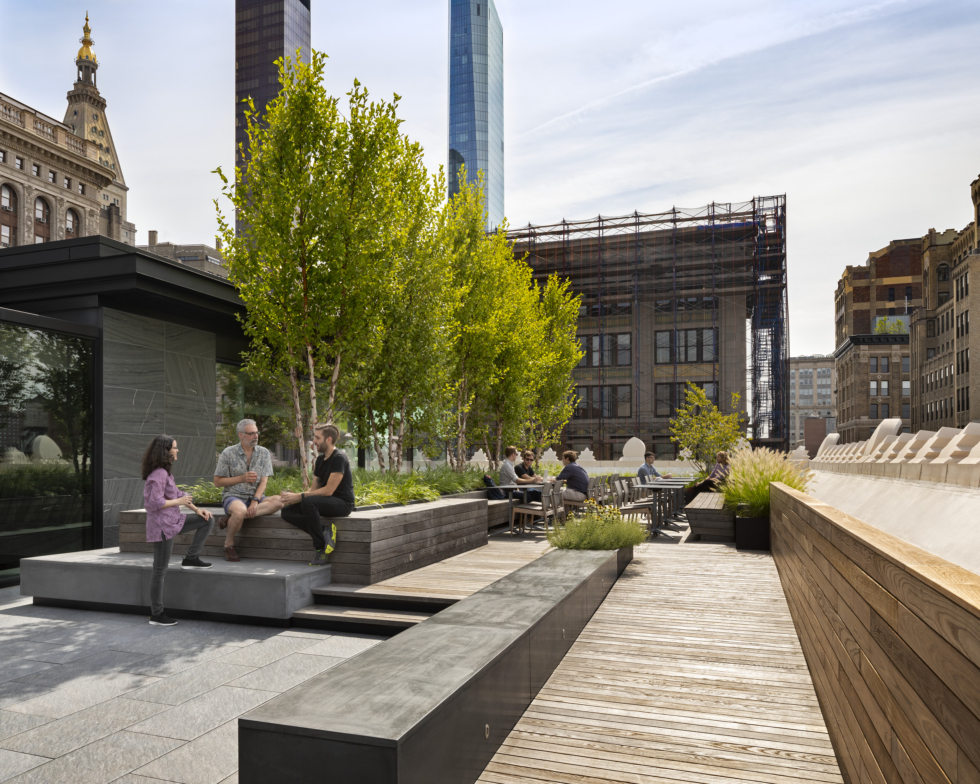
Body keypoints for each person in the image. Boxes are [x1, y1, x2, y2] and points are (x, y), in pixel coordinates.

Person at [142, 434, 215, 627]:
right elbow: (153, 503)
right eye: (175, 447)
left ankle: (191, 558)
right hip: (162, 527)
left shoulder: (166, 473)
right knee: (159, 571)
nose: (177, 450)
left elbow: (178, 495)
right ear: (165, 451)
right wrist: (179, 502)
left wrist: (197, 510)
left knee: (206, 520)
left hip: (174, 520)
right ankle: (156, 614)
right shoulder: (158, 474)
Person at [281, 423, 355, 566]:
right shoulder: (320, 460)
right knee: (287, 512)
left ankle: (320, 548)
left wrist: (301, 497)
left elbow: (329, 491)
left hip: (342, 503)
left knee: (307, 502)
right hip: (325, 501)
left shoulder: (339, 457)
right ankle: (323, 531)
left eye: (317, 437)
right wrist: (294, 497)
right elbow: (313, 488)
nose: (314, 441)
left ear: (328, 439)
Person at [214, 419, 283, 562]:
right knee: (239, 510)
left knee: (279, 501)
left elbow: (264, 481)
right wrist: (241, 478)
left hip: (256, 497)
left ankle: (230, 520)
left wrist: (255, 501)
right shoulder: (228, 453)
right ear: (241, 435)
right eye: (251, 434)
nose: (255, 436)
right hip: (234, 496)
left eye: (256, 432)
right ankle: (228, 545)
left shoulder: (264, 453)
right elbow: (217, 482)